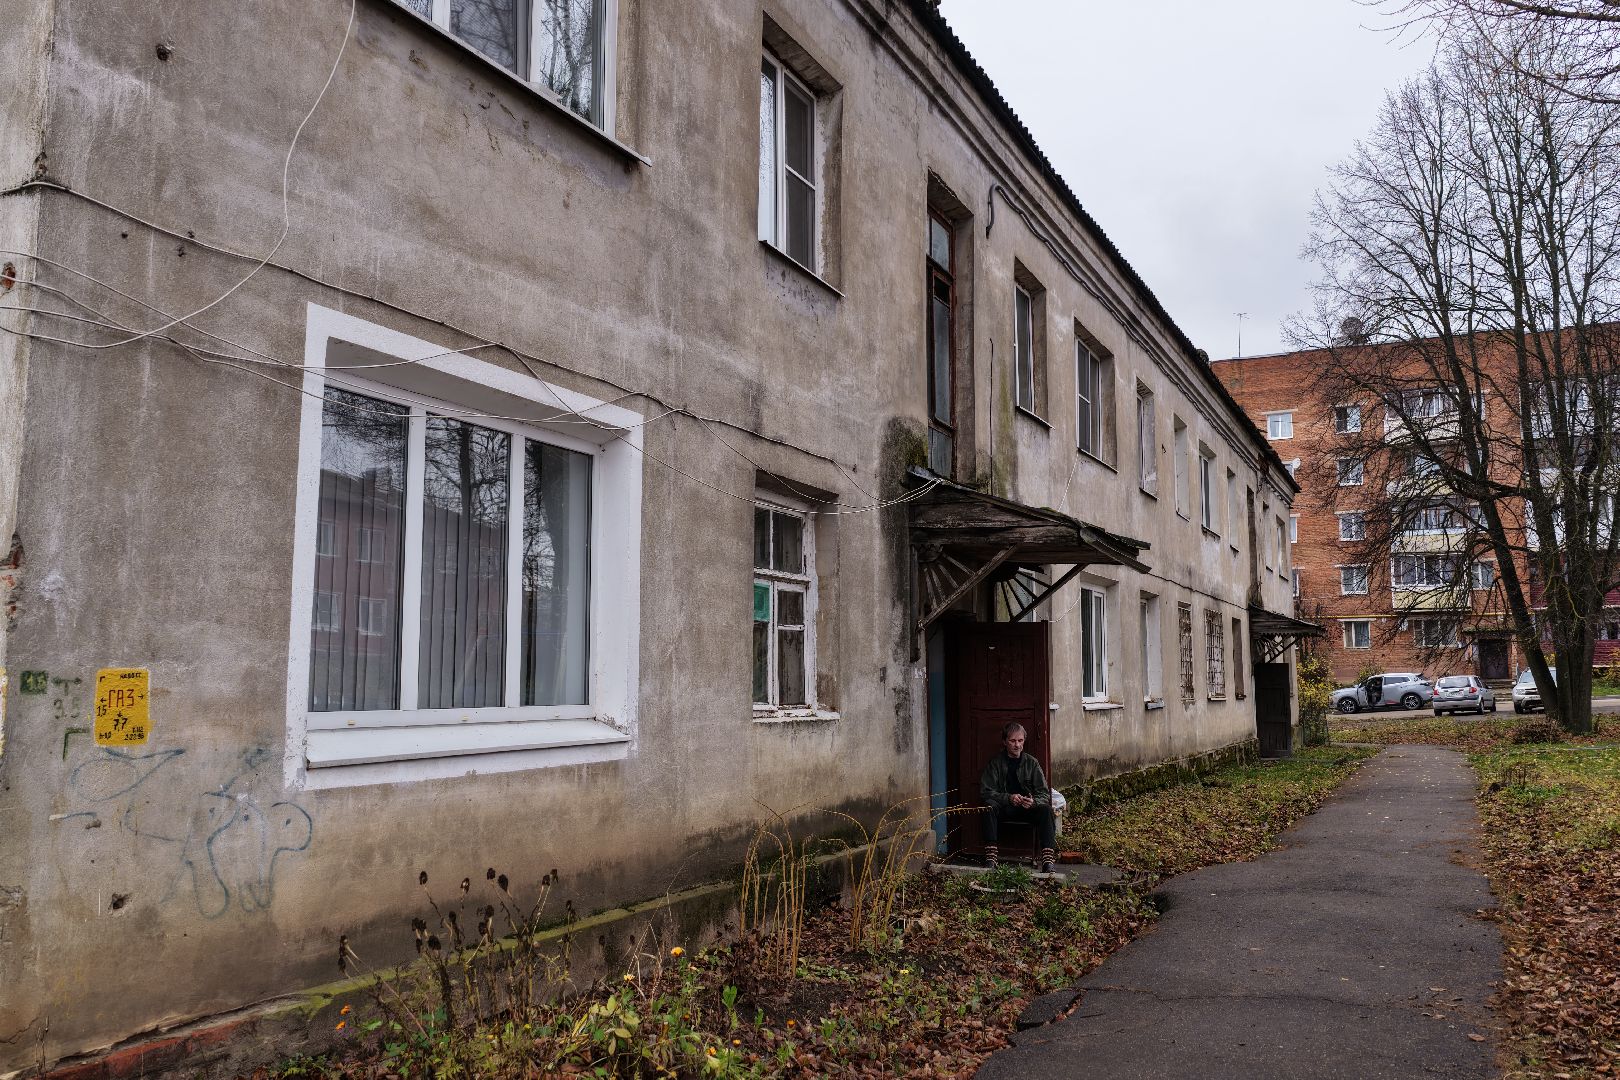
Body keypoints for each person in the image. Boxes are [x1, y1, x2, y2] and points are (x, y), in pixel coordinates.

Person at [979, 722, 1056, 873]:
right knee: (988, 806)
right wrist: (1008, 798)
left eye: (1020, 741)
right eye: (1013, 741)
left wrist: (1033, 803)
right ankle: (991, 857)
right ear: (1004, 742)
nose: (1017, 745)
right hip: (1005, 808)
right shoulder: (995, 763)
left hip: (1026, 809)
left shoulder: (1031, 763)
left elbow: (1044, 793)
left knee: (1046, 810)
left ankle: (1048, 861)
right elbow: (986, 791)